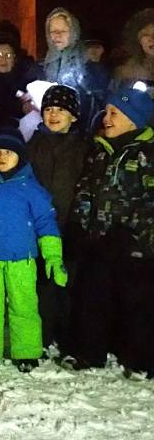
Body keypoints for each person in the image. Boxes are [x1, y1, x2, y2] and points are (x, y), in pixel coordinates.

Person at [0, 124, 65, 372]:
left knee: (24, 304)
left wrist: (52, 256)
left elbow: (46, 223)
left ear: (20, 156)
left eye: (8, 152)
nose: (2, 157)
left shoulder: (32, 189)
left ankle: (26, 351)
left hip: (22, 261)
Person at [64, 87, 154, 378]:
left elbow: (149, 201)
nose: (107, 118)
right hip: (99, 241)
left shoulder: (147, 155)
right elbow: (86, 191)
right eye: (106, 112)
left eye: (114, 113)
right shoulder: (101, 150)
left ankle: (140, 359)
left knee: (136, 304)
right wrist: (80, 225)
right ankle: (89, 353)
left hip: (134, 245)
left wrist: (133, 231)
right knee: (93, 298)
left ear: (133, 118)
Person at [26, 85, 89, 354]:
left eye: (60, 110)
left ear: (73, 115)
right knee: (42, 283)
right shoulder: (33, 145)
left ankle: (67, 336)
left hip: (69, 225)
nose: (53, 115)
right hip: (40, 228)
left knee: (68, 283)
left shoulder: (84, 148)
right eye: (49, 109)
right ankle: (42, 333)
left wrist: (80, 222)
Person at [40, 7, 103, 128]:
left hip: (81, 129)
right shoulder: (43, 66)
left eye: (63, 31)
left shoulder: (88, 65)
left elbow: (97, 100)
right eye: (53, 31)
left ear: (73, 32)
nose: (57, 35)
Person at [113, 8, 154, 97]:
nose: (151, 39)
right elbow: (118, 100)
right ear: (138, 40)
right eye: (145, 34)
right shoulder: (125, 73)